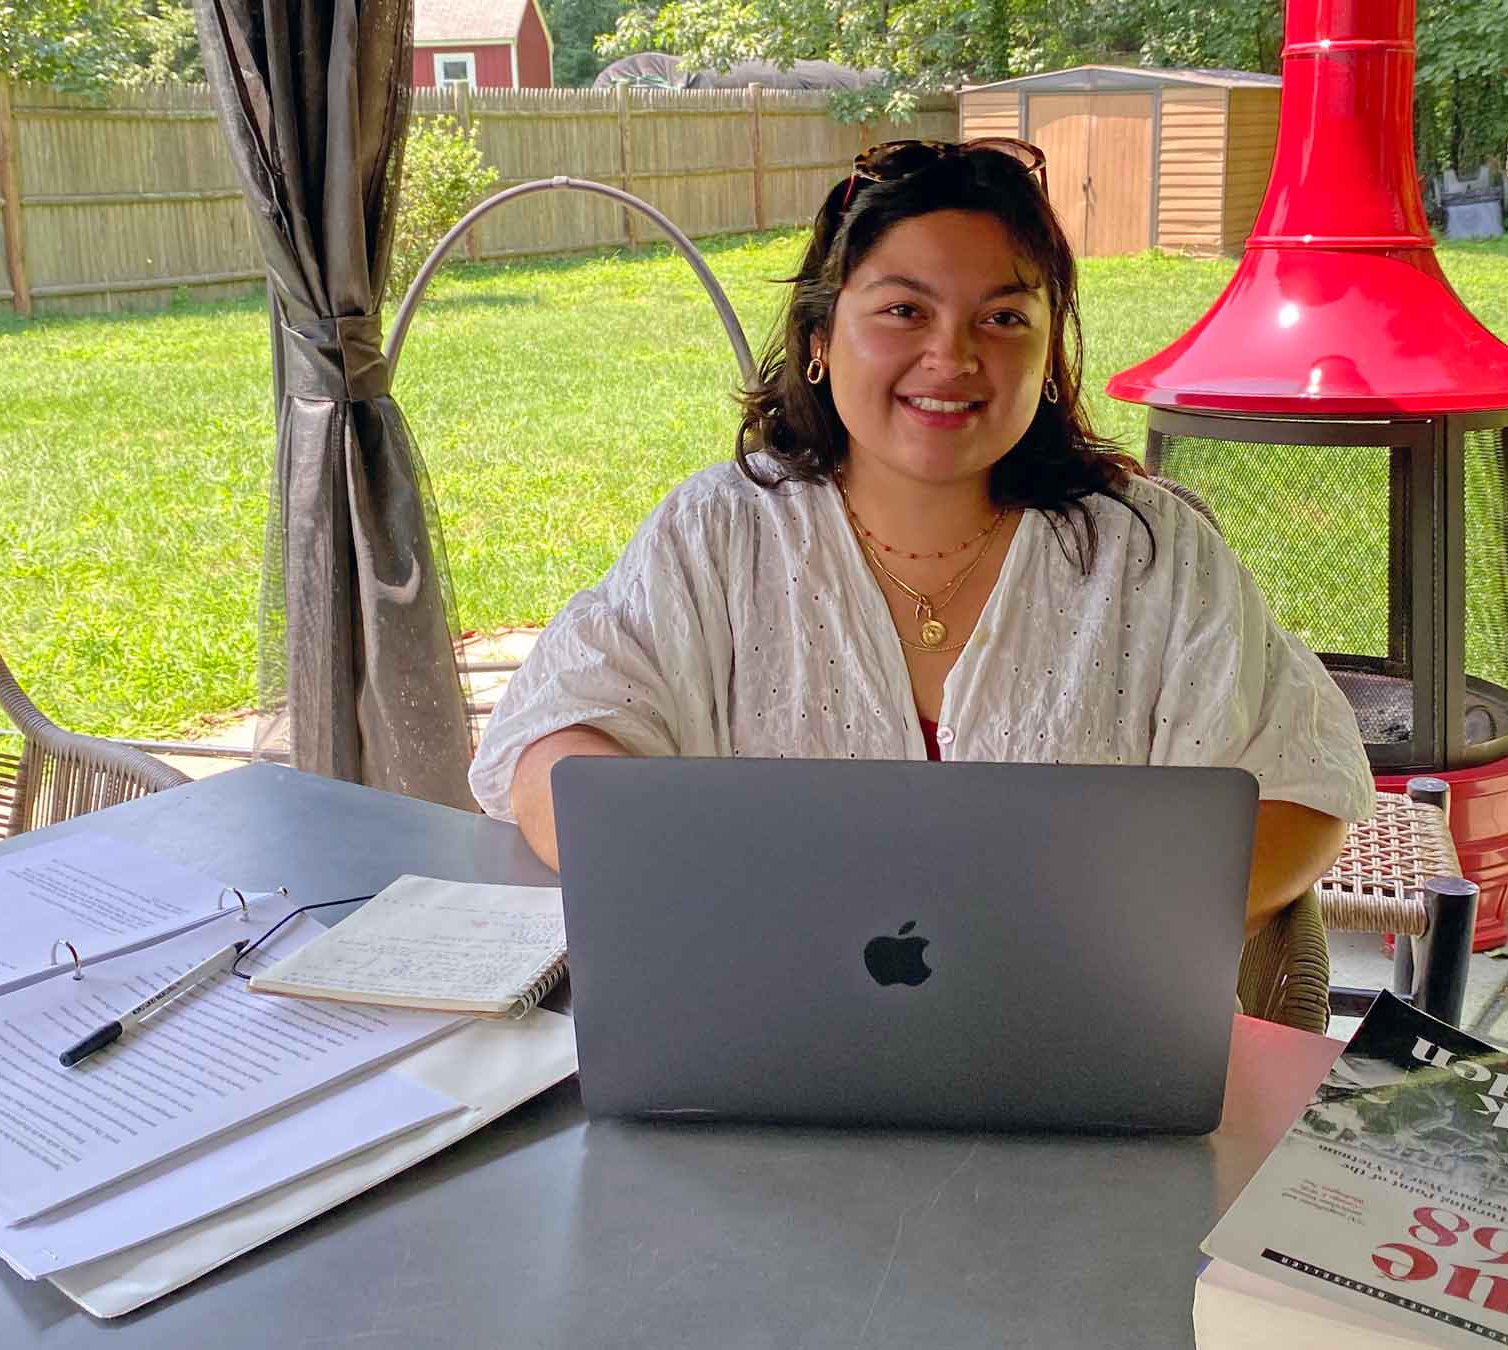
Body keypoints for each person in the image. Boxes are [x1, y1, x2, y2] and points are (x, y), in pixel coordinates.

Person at [468, 137, 1373, 935]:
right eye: (904, 310)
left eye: (1004, 316)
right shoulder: (720, 534)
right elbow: (554, 746)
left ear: (1049, 355)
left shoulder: (1146, 552)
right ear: (821, 341)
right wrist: (724, 906)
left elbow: (1298, 782)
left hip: (1074, 1033)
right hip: (771, 1032)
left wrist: (1104, 931)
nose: (955, 356)